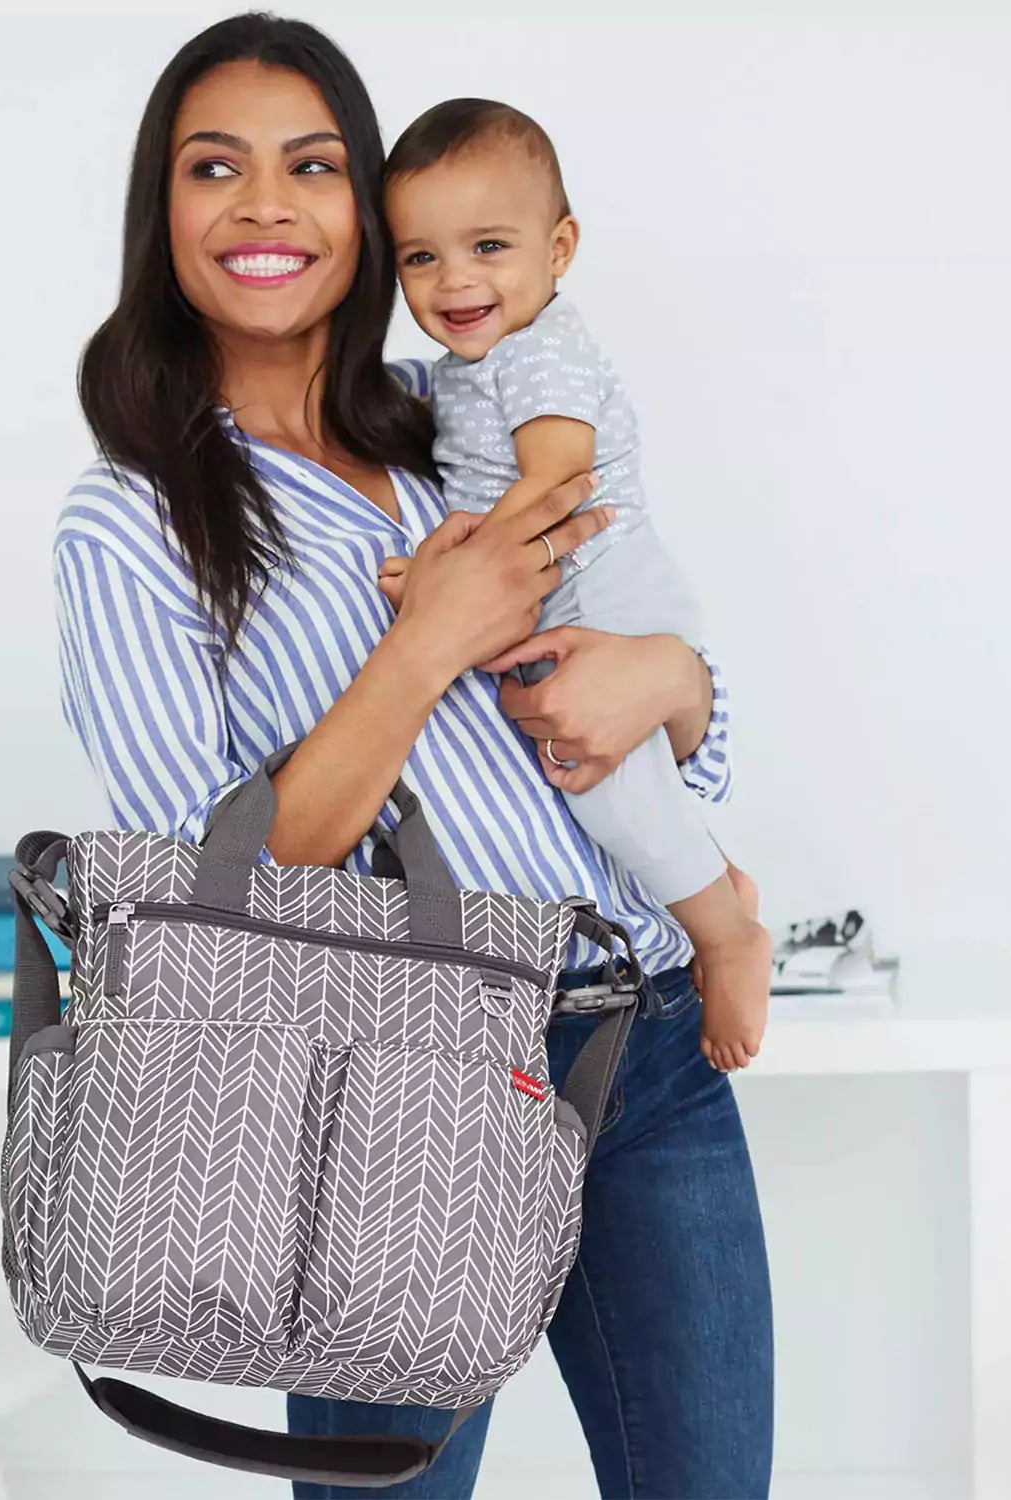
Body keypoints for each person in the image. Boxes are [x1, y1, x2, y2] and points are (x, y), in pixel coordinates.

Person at [53, 12, 772, 1498]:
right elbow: (206, 896)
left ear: (363, 215)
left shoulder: (454, 423)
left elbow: (646, 700)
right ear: (161, 212)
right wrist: (424, 641)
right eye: (215, 167)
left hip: (645, 1049)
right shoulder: (131, 519)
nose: (265, 205)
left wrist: (678, 682)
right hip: (393, 1092)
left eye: (311, 165)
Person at [377, 97, 771, 1075]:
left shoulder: (543, 347)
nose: (455, 279)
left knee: (606, 790)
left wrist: (449, 574)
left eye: (489, 246)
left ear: (560, 248)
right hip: (569, 590)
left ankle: (725, 936)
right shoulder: (467, 364)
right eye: (420, 258)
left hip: (602, 588)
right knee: (604, 779)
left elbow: (554, 485)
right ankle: (715, 881)